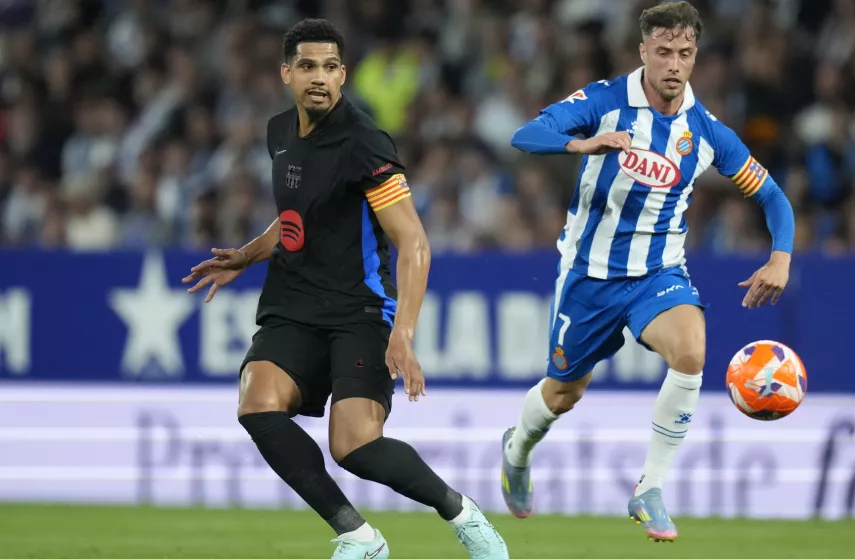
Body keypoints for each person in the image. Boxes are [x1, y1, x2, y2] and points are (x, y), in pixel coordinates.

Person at [182, 19, 508, 559]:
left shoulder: (364, 143)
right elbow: (297, 216)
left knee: (354, 446)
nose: (319, 77)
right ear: (286, 73)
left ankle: (460, 512)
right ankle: (359, 537)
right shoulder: (279, 133)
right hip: (293, 304)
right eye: (307, 66)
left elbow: (414, 242)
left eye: (330, 67)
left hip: (359, 308)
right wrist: (249, 253)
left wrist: (403, 333)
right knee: (256, 403)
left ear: (343, 75)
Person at [501, 1, 795, 543]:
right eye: (663, 52)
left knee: (691, 351)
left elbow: (772, 195)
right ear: (643, 51)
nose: (674, 64)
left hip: (657, 274)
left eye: (684, 52)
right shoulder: (605, 101)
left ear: (696, 55)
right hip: (589, 276)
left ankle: (650, 488)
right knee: (564, 393)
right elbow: (527, 133)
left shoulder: (707, 132)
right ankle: (517, 449)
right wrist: (581, 143)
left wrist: (781, 256)